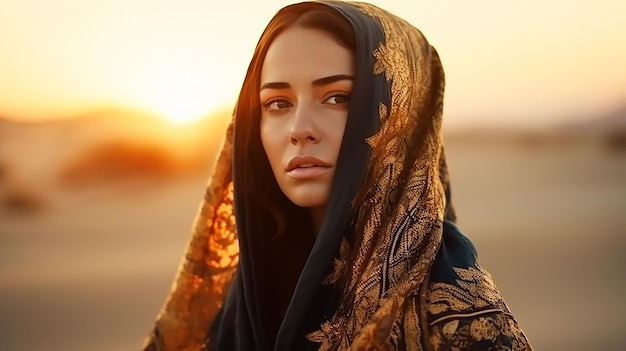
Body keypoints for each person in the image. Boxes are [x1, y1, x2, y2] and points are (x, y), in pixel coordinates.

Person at [141, 1, 533, 350]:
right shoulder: (245, 299)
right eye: (277, 103)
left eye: (338, 98)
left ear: (402, 117)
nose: (300, 128)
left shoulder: (460, 316)